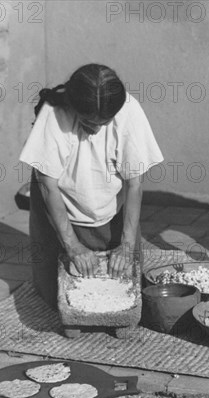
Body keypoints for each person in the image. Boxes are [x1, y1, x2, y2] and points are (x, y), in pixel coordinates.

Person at [19, 64, 164, 308]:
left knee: (126, 288)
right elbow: (48, 187)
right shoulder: (54, 113)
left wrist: (127, 246)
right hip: (59, 197)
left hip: (110, 200)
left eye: (104, 123)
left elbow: (134, 184)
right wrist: (72, 245)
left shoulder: (129, 111)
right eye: (88, 121)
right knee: (60, 298)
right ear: (73, 107)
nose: (96, 129)